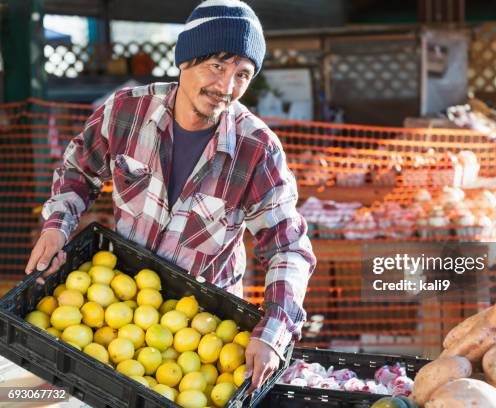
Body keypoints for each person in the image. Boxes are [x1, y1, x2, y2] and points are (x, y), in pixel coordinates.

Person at [25, 0, 316, 393]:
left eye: (242, 74)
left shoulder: (258, 150)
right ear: (184, 60)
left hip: (206, 330)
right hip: (116, 309)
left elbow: (289, 248)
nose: (226, 88)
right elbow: (79, 170)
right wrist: (58, 227)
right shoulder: (126, 112)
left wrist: (274, 330)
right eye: (217, 66)